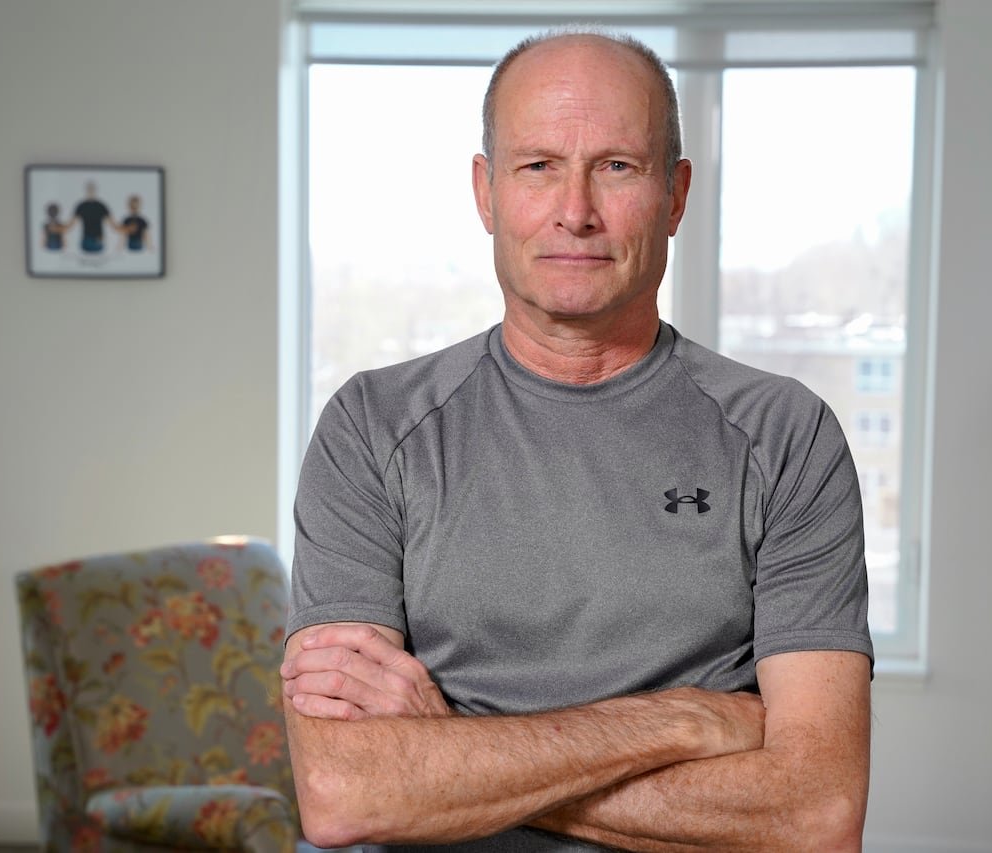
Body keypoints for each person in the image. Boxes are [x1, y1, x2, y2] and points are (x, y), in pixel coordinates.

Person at [282, 27, 873, 852]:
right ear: (486, 193)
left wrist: (444, 748)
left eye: (617, 166)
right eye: (538, 166)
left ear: (675, 194)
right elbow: (345, 793)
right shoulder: (371, 428)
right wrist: (682, 720)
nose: (575, 211)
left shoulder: (786, 435)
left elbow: (815, 814)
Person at [65, 181, 119, 253]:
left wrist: (127, 229)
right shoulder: (81, 206)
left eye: (92, 189)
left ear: (95, 190)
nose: (91, 191)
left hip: (98, 241)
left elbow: (113, 225)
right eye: (89, 189)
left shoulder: (101, 206)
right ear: (86, 191)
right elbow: (70, 225)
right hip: (86, 241)